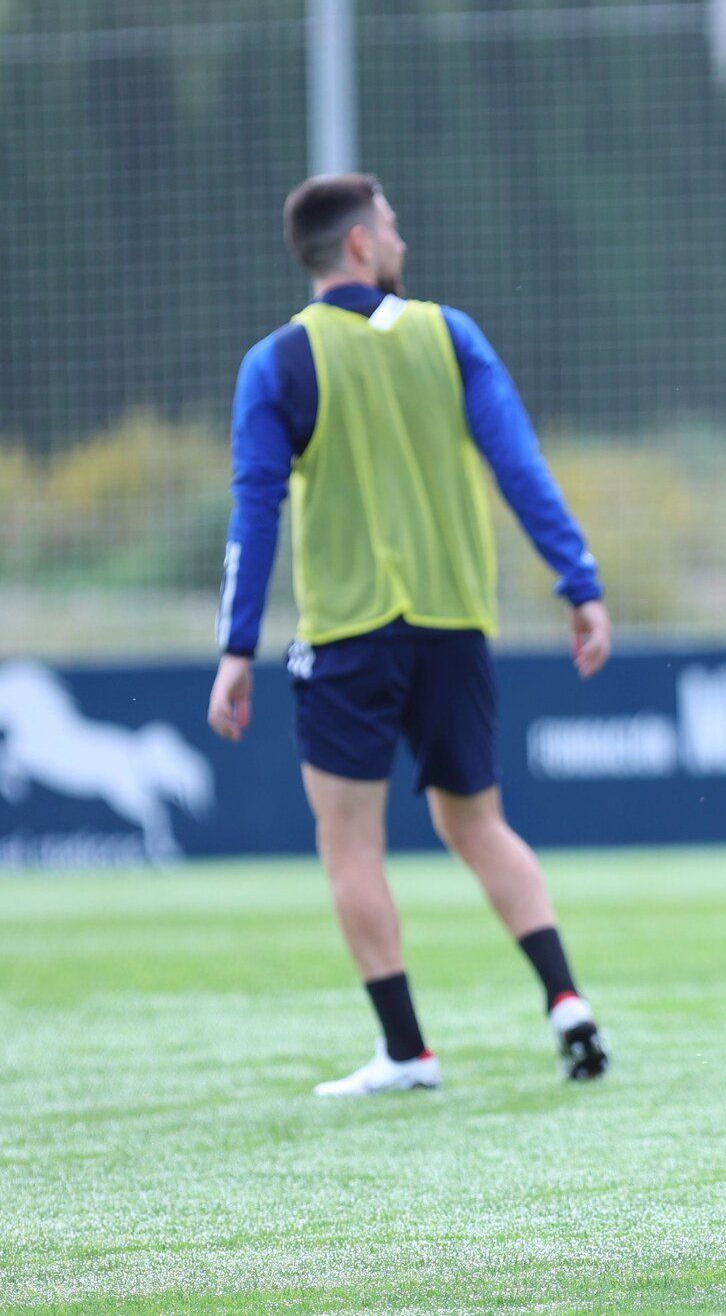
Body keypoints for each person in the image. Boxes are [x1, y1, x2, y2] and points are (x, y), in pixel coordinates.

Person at [207, 174, 612, 1095]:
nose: (400, 239)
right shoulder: (449, 333)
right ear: (357, 245)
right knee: (477, 823)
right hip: (453, 624)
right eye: (389, 225)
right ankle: (567, 1002)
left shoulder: (277, 362)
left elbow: (253, 515)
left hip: (348, 632)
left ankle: (406, 1050)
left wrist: (236, 648)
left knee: (350, 842)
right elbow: (520, 465)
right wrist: (578, 583)